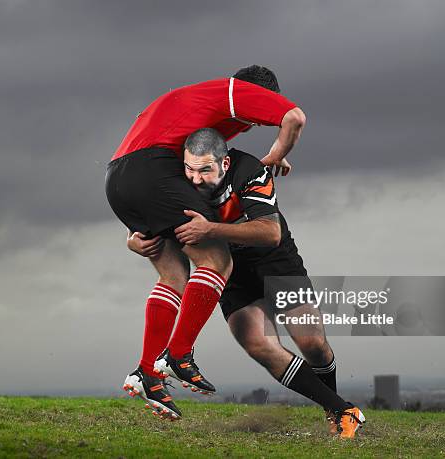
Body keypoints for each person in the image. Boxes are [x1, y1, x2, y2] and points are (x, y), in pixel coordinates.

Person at [128, 128, 366, 438]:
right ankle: (341, 411)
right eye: (189, 169)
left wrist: (210, 229)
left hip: (273, 259)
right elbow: (148, 219)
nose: (195, 179)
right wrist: (134, 241)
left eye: (204, 170)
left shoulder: (248, 170)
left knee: (312, 344)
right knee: (258, 344)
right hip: (228, 269)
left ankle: (333, 406)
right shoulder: (176, 180)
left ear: (224, 164)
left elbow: (271, 232)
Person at [106, 66, 306, 419]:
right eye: (259, 116)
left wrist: (135, 233)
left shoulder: (198, 106)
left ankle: (147, 374)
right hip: (153, 169)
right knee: (217, 259)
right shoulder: (235, 91)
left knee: (173, 275)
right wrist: (278, 151)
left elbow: (147, 173)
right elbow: (293, 117)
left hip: (119, 178)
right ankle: (178, 354)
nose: (257, 123)